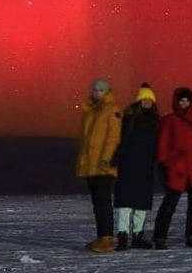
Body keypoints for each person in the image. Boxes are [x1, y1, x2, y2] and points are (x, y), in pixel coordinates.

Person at [152, 87, 192, 249]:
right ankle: (160, 237)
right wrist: (163, 164)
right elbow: (163, 143)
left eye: (186, 100)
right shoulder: (169, 120)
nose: (184, 103)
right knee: (169, 204)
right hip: (177, 168)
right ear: (176, 101)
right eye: (181, 100)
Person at [112, 83, 161, 251]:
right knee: (126, 203)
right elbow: (123, 140)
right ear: (139, 101)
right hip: (129, 164)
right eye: (144, 99)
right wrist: (116, 158)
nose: (147, 102)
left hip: (145, 166)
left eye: (149, 99)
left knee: (141, 203)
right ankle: (123, 236)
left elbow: (157, 144)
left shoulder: (155, 121)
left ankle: (138, 236)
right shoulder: (130, 117)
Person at [76, 77, 122, 253]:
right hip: (91, 166)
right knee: (97, 203)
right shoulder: (90, 112)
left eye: (101, 90)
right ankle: (101, 236)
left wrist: (107, 159)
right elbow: (86, 141)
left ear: (107, 92)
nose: (97, 93)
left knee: (103, 202)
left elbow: (113, 138)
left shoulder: (112, 111)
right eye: (95, 90)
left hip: (103, 166)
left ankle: (107, 239)